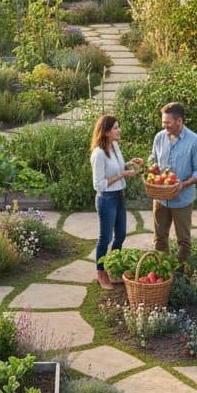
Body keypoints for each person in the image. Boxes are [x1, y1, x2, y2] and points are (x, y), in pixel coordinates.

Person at [151, 102, 197, 265]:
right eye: (163, 122)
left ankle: (181, 273)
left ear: (179, 121)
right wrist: (151, 167)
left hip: (182, 200)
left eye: (167, 123)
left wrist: (183, 184)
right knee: (159, 238)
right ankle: (163, 271)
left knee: (183, 241)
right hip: (160, 199)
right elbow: (153, 157)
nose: (164, 126)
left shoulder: (195, 141)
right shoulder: (159, 137)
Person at [90, 114, 141, 289]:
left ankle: (113, 266)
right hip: (106, 199)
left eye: (118, 127)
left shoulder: (115, 146)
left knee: (120, 235)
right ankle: (101, 273)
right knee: (106, 238)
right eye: (115, 128)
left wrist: (128, 164)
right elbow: (99, 184)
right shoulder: (98, 154)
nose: (119, 131)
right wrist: (122, 175)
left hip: (119, 196)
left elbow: (116, 168)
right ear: (105, 132)